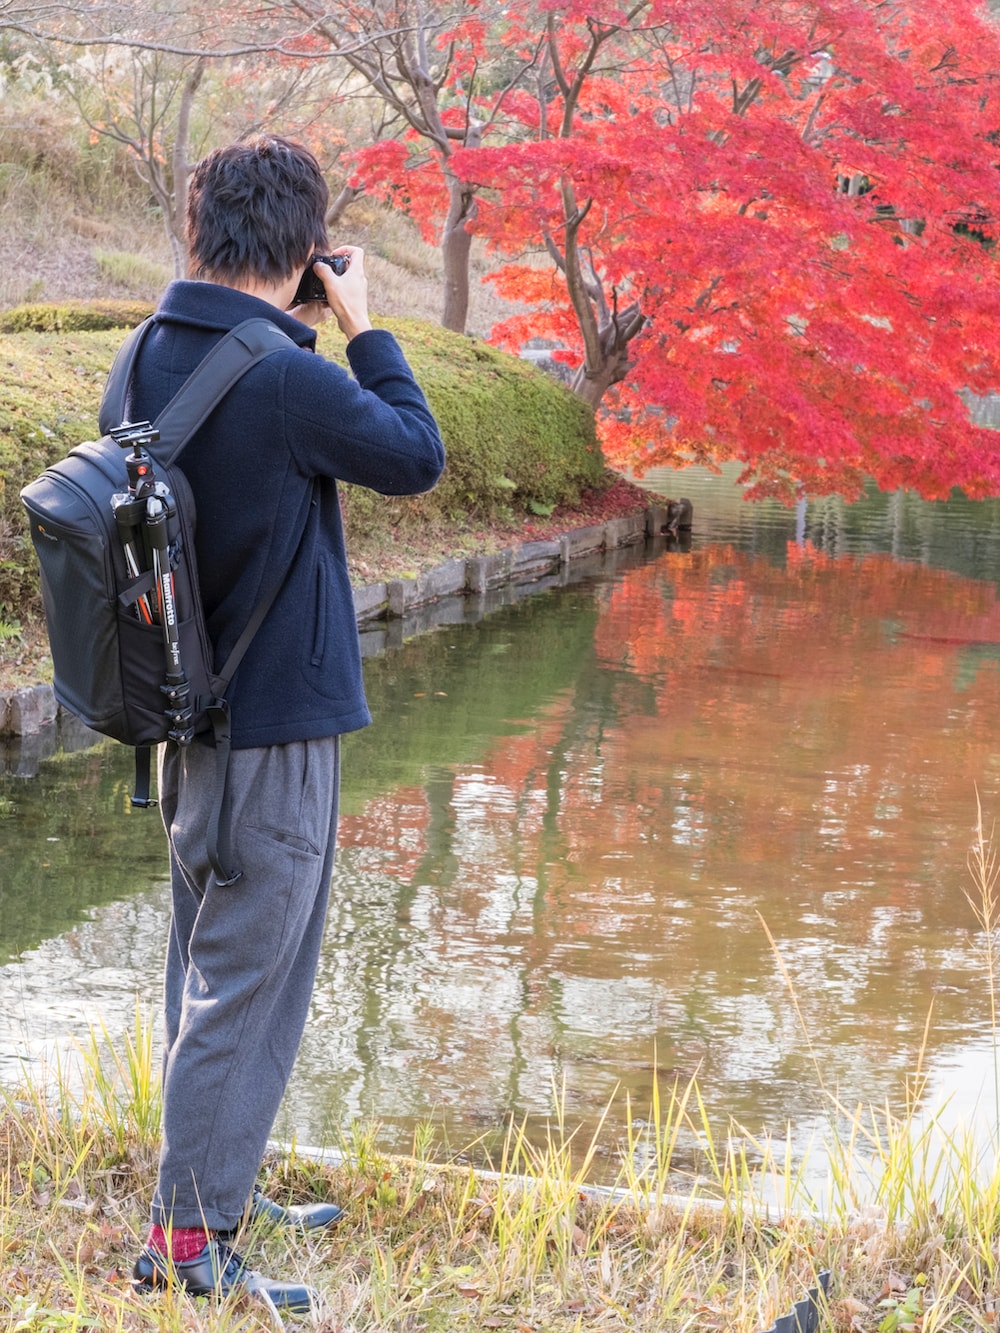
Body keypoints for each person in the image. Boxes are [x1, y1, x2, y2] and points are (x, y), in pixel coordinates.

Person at [128, 135, 445, 1313]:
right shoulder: (284, 375)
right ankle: (187, 1239)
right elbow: (416, 454)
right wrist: (363, 325)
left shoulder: (150, 352)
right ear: (306, 245)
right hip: (273, 729)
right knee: (250, 977)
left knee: (205, 962)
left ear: (194, 223)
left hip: (186, 717)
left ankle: (213, 1177)